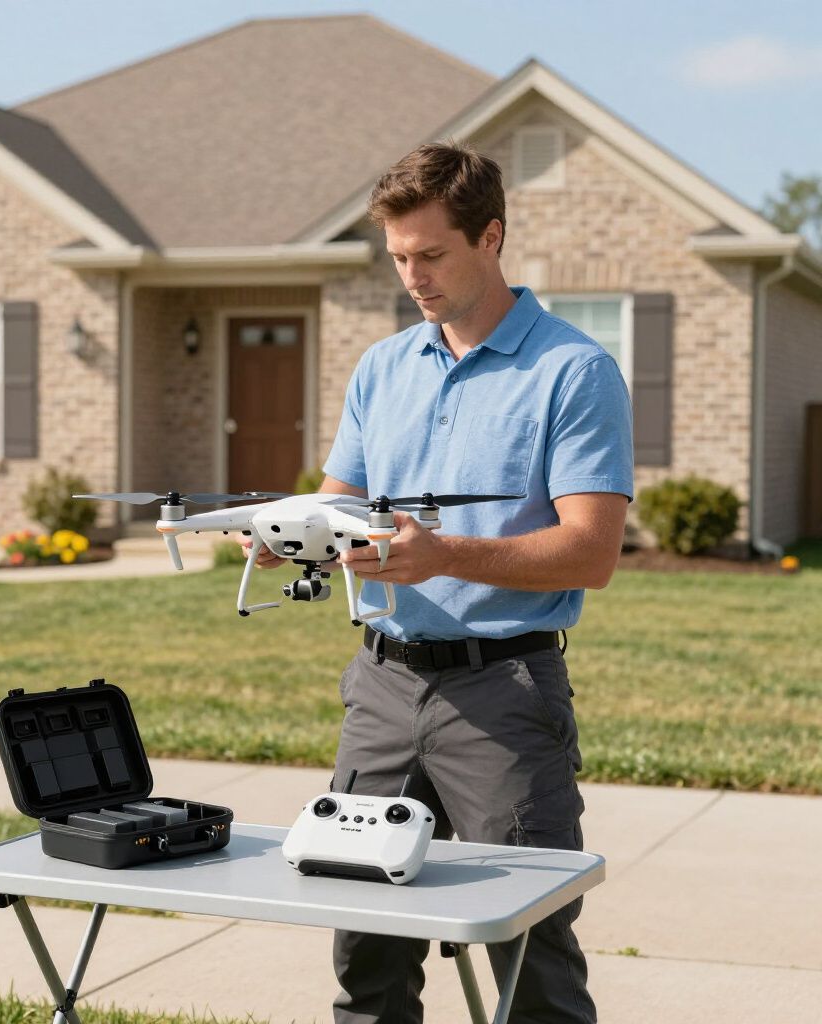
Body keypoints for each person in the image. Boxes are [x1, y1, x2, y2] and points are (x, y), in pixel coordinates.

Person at [248, 141, 633, 1023]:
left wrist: (445, 553)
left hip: (504, 693)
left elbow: (591, 553)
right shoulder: (383, 368)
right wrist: (285, 537)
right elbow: (336, 503)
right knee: (365, 946)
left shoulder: (573, 372)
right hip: (382, 684)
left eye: (431, 255)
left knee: (528, 954)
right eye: (397, 258)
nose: (412, 276)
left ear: (490, 237)